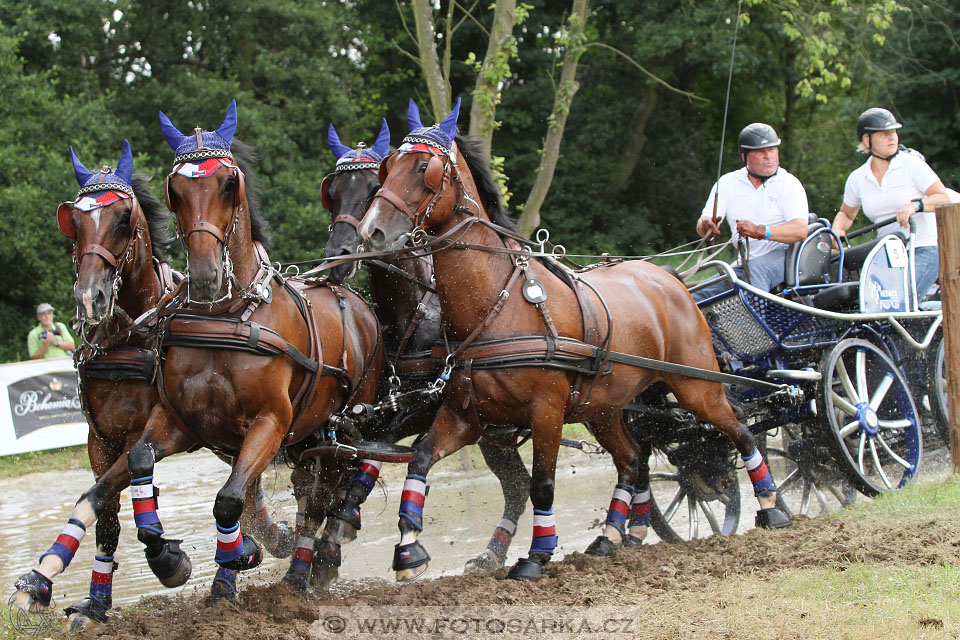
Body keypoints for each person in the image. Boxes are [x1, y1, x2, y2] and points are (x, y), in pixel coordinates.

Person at [831, 108, 950, 302]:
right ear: (867, 140)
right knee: (871, 304)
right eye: (885, 134)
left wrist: (916, 206)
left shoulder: (912, 164)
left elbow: (942, 197)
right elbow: (847, 214)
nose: (892, 137)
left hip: (923, 247)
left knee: (901, 300)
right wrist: (837, 230)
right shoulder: (857, 178)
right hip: (886, 253)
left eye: (894, 132)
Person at [694, 123, 810, 301]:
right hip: (743, 264)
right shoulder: (727, 183)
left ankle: (756, 327)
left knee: (757, 269)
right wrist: (706, 225)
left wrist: (760, 231)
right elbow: (703, 223)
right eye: (760, 152)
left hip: (785, 256)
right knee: (697, 296)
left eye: (772, 150)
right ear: (745, 156)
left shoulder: (789, 184)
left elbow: (800, 230)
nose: (768, 156)